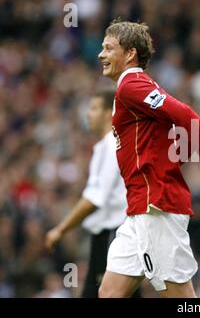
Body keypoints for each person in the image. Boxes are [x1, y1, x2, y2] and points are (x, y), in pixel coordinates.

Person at [97, 19, 200, 298]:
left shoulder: (131, 86)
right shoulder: (136, 89)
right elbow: (167, 141)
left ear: (130, 54)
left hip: (157, 207)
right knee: (109, 292)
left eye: (109, 48)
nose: (101, 54)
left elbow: (183, 113)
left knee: (180, 297)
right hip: (140, 208)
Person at [45, 89, 127, 297]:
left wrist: (61, 229)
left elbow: (94, 199)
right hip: (111, 235)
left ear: (109, 112)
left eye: (94, 108)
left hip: (112, 234)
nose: (88, 114)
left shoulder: (111, 145)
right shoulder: (108, 144)